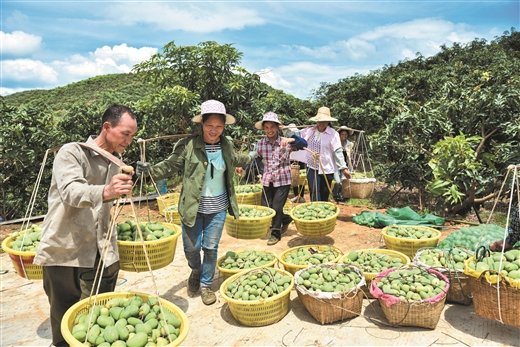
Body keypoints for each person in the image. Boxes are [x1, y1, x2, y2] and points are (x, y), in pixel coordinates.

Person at [33, 104, 138, 347]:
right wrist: (107, 190)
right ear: (107, 127)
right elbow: (71, 191)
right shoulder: (71, 153)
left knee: (99, 317)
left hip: (101, 249)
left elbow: (106, 203)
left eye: (132, 136)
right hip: (66, 250)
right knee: (64, 317)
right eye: (125, 134)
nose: (129, 141)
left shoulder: (117, 161)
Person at [136, 100, 254, 305]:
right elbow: (170, 166)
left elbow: (236, 159)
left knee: (210, 247)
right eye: (210, 125)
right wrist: (150, 171)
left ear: (224, 127)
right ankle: (196, 270)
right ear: (202, 124)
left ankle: (206, 285)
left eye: (219, 126)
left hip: (217, 208)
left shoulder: (225, 145)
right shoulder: (188, 146)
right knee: (191, 248)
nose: (214, 130)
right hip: (192, 207)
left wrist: (252, 156)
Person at [239, 112, 307, 245]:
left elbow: (304, 143)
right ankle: (285, 219)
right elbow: (255, 158)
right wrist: (243, 167)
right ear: (264, 129)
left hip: (283, 179)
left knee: (276, 207)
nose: (269, 130)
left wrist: (291, 138)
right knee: (266, 207)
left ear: (277, 127)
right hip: (267, 179)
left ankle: (275, 233)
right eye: (266, 127)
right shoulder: (261, 143)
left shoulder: (285, 142)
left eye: (272, 127)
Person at [300, 107, 351, 202]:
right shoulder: (309, 131)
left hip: (327, 167)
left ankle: (323, 210)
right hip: (311, 166)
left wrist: (343, 168)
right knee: (314, 189)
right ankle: (316, 211)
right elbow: (296, 135)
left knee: (324, 192)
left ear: (328, 122)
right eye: (319, 120)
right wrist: (284, 130)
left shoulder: (333, 134)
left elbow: (337, 151)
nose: (321, 123)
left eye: (324, 121)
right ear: (316, 120)